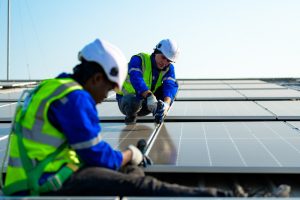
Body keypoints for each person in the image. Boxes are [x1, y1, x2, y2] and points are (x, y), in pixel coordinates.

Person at [2, 38, 233, 197]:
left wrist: (165, 103)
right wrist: (129, 153)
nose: (106, 96)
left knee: (129, 170)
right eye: (109, 88)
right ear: (95, 78)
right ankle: (222, 196)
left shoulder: (54, 86)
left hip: (35, 174)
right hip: (44, 182)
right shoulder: (75, 99)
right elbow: (96, 157)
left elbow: (171, 87)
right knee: (141, 184)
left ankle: (135, 167)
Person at [116, 39, 179, 124]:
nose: (164, 62)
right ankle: (131, 117)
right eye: (163, 57)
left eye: (168, 60)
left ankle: (159, 113)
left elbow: (170, 86)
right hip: (127, 101)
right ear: (156, 52)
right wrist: (149, 96)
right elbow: (136, 77)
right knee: (133, 101)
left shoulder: (169, 69)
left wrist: (166, 105)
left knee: (173, 88)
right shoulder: (139, 59)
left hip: (148, 103)